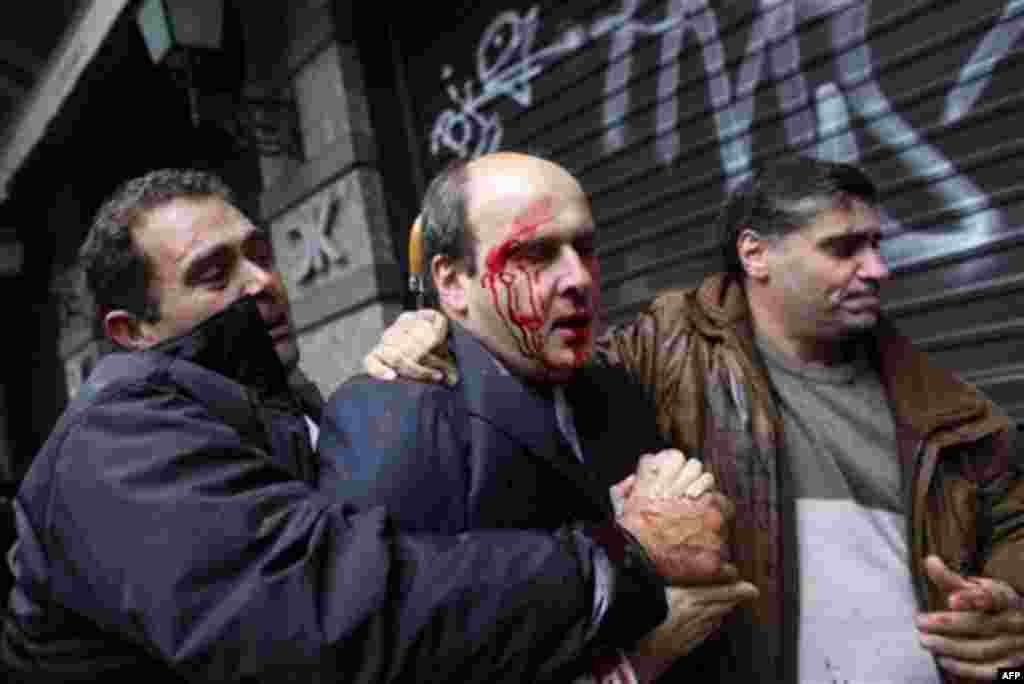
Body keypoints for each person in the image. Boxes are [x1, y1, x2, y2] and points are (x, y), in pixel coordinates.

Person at [1, 169, 746, 683]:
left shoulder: (273, 408)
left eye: (260, 253)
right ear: (130, 330)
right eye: (213, 272)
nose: (262, 282)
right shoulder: (110, 449)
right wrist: (627, 560)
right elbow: (331, 614)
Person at [363, 156, 1024, 682]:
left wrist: (1011, 605)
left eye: (878, 245)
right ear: (755, 254)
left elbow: (1013, 520)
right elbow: (522, 357)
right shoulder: (662, 355)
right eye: (844, 248)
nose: (878, 270)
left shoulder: (942, 401)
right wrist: (433, 330)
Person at [319, 153, 757, 683]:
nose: (578, 279)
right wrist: (628, 666)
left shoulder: (612, 388)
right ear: (454, 281)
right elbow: (390, 654)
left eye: (586, 248)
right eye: (535, 254)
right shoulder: (393, 419)